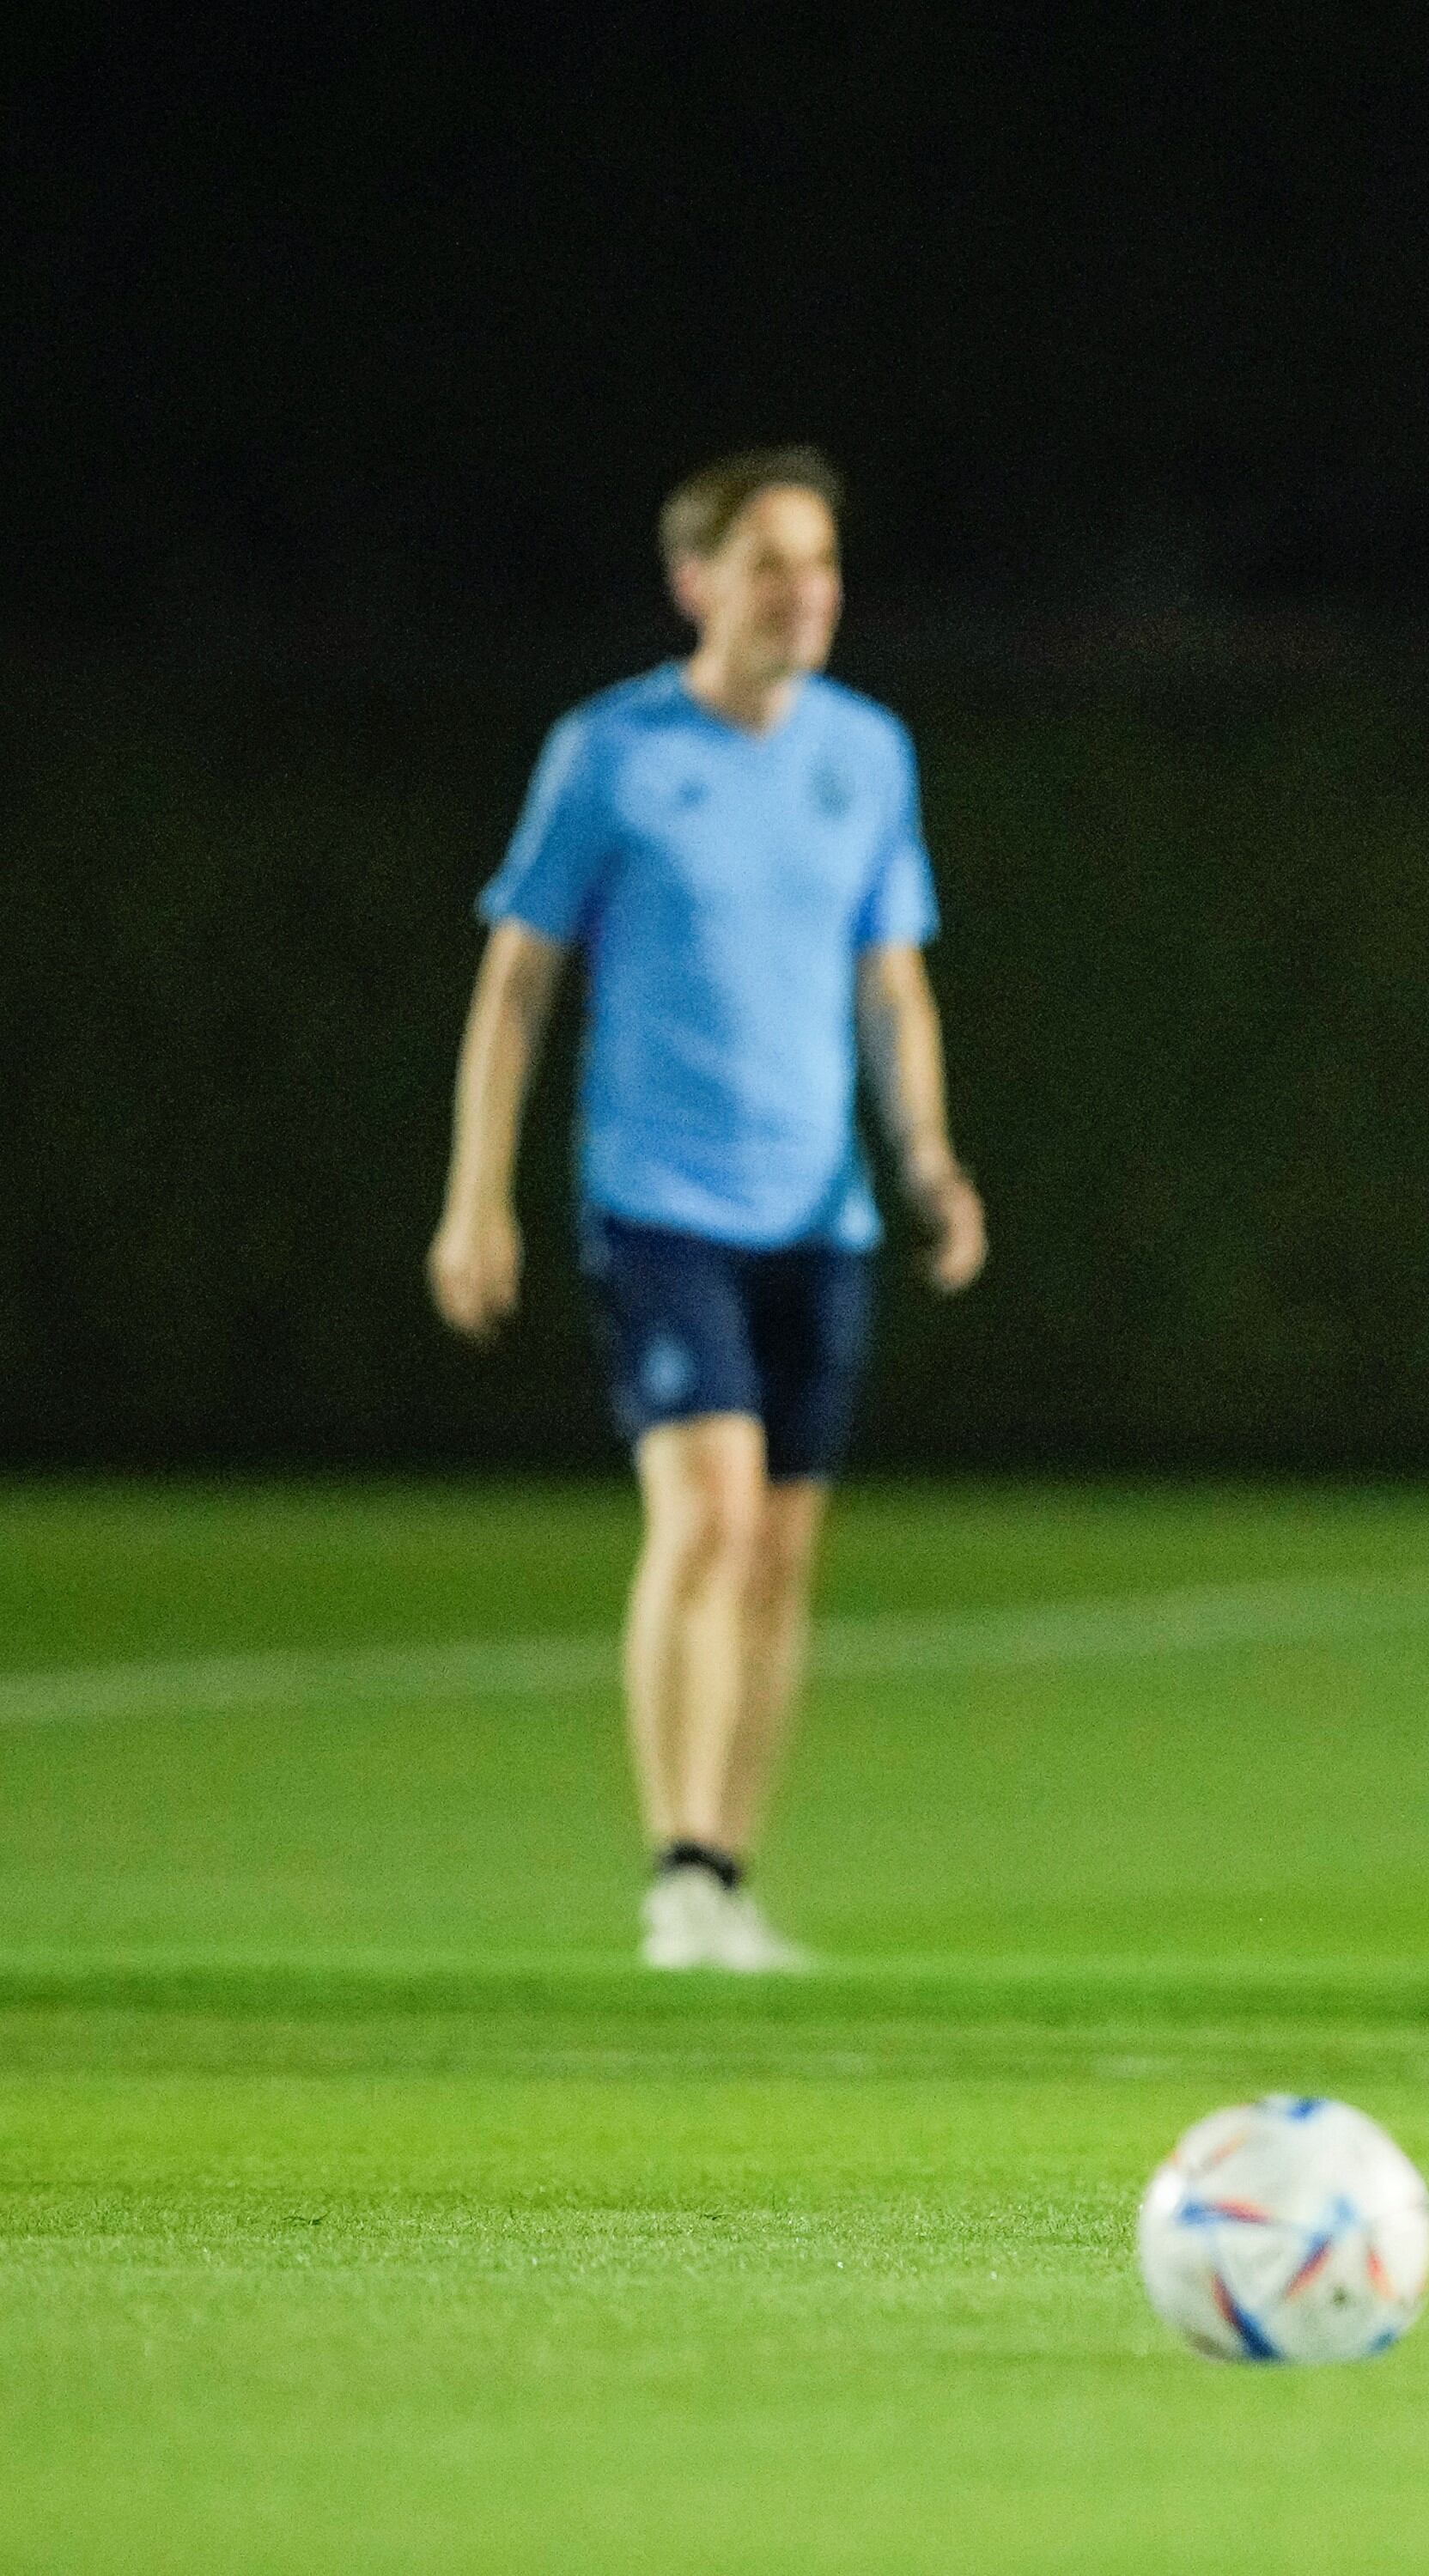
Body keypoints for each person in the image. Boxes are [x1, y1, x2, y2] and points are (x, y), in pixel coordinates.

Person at [428, 447, 987, 1975]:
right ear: (697, 584)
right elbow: (517, 979)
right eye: (770, 563)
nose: (805, 592)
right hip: (661, 1204)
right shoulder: (610, 753)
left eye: (820, 562)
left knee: (783, 1552)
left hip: (823, 1213)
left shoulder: (867, 752)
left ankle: (728, 1873)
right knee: (709, 1518)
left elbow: (892, 976)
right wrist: (477, 1195)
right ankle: (675, 1865)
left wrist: (926, 1157)